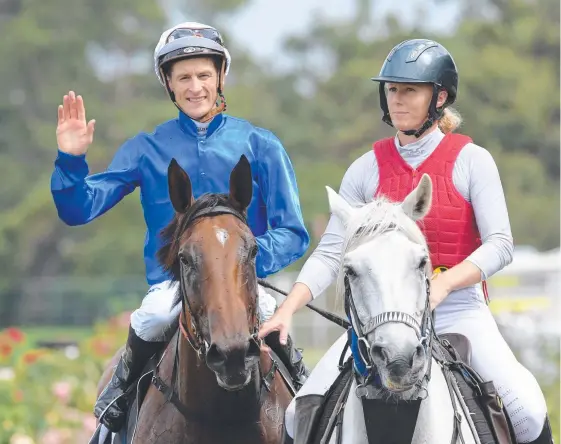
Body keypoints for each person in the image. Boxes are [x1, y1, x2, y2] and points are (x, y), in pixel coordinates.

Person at [259, 39, 553, 443]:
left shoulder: (472, 160)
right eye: (392, 90)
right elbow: (330, 253)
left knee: (528, 411)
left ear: (440, 97)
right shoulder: (365, 169)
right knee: (297, 413)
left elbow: (500, 244)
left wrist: (444, 283)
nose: (397, 100)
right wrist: (287, 309)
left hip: (458, 312)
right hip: (380, 319)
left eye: (409, 90)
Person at [51, 22, 311, 433]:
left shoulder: (261, 145)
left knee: (268, 318)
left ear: (220, 77)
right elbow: (80, 208)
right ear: (168, 84)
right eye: (184, 77)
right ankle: (115, 407)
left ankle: (306, 396)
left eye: (204, 75)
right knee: (152, 316)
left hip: (245, 284)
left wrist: (237, 262)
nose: (195, 87)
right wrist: (70, 160)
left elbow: (293, 231)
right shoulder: (145, 148)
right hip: (172, 288)